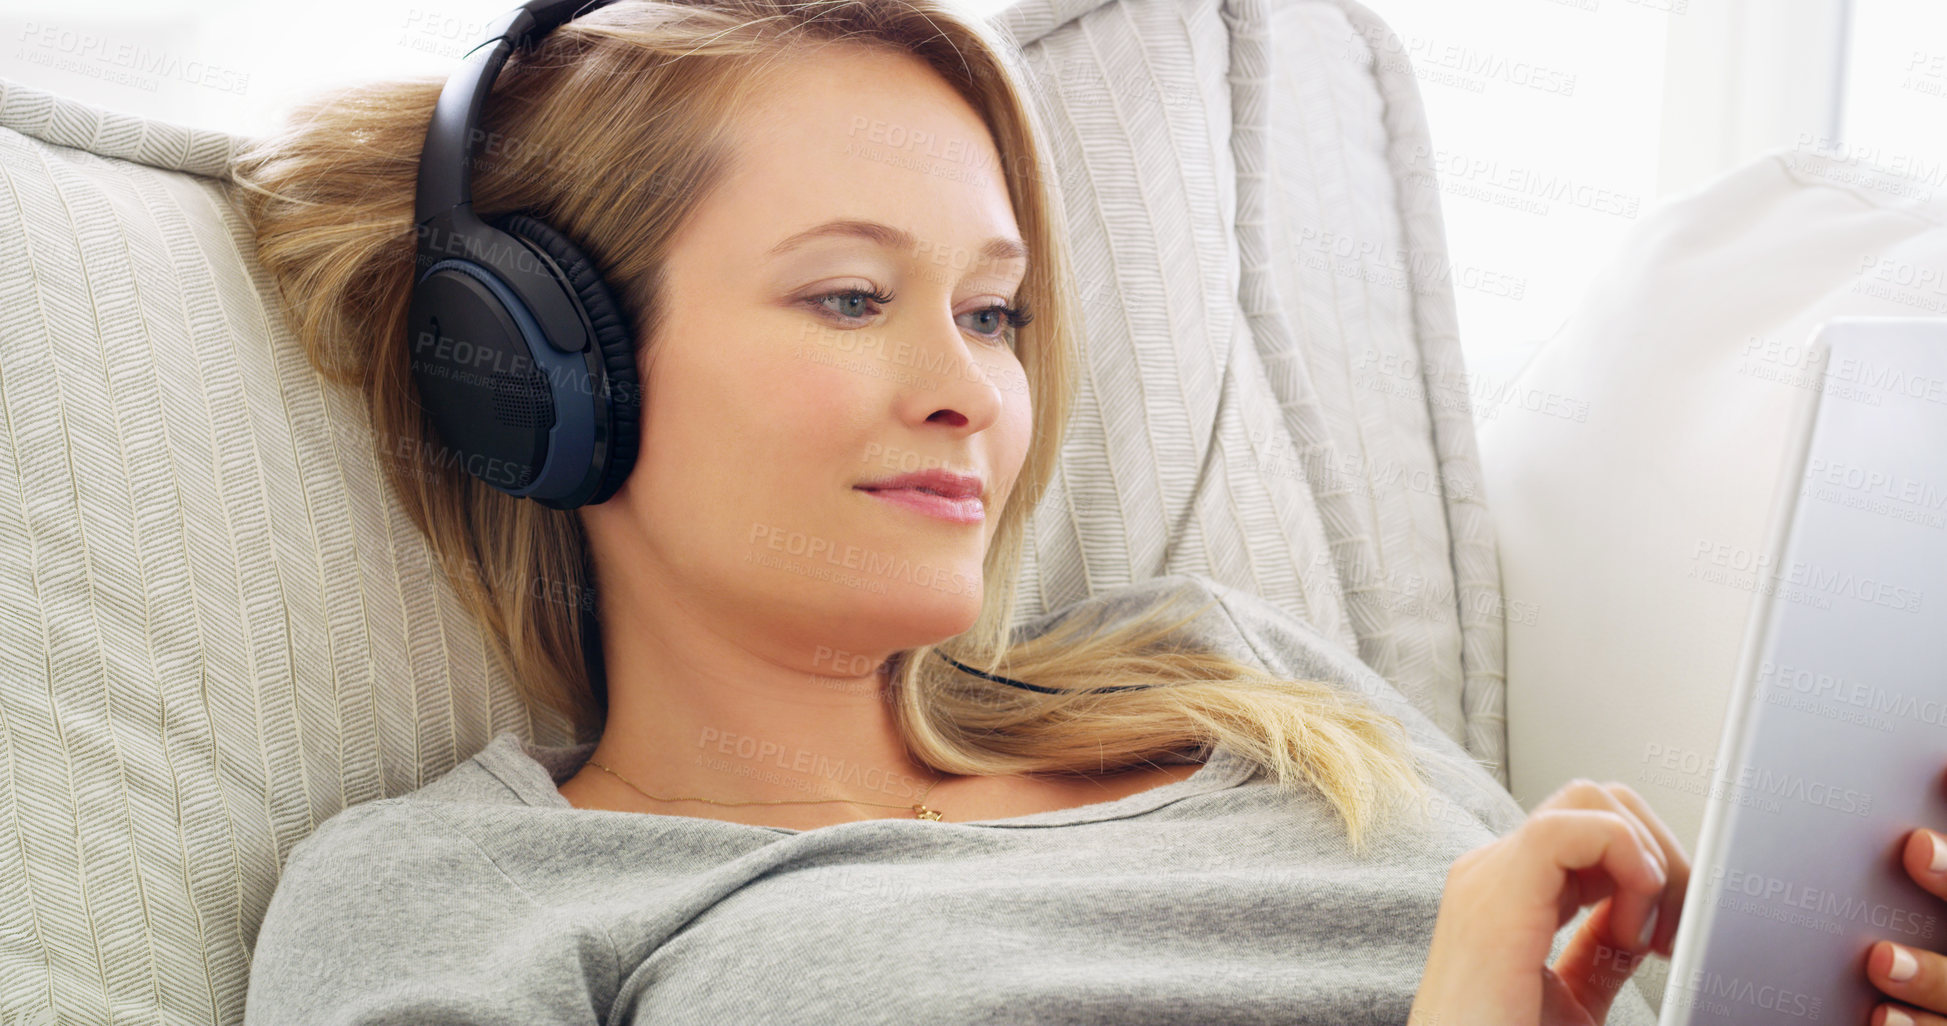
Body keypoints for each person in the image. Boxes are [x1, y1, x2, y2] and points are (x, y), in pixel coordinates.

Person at [230, 0, 1690, 1022]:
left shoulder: (1228, 673)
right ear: (551, 373)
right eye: (851, 296)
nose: (968, 391)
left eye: (994, 312)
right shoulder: (456, 892)